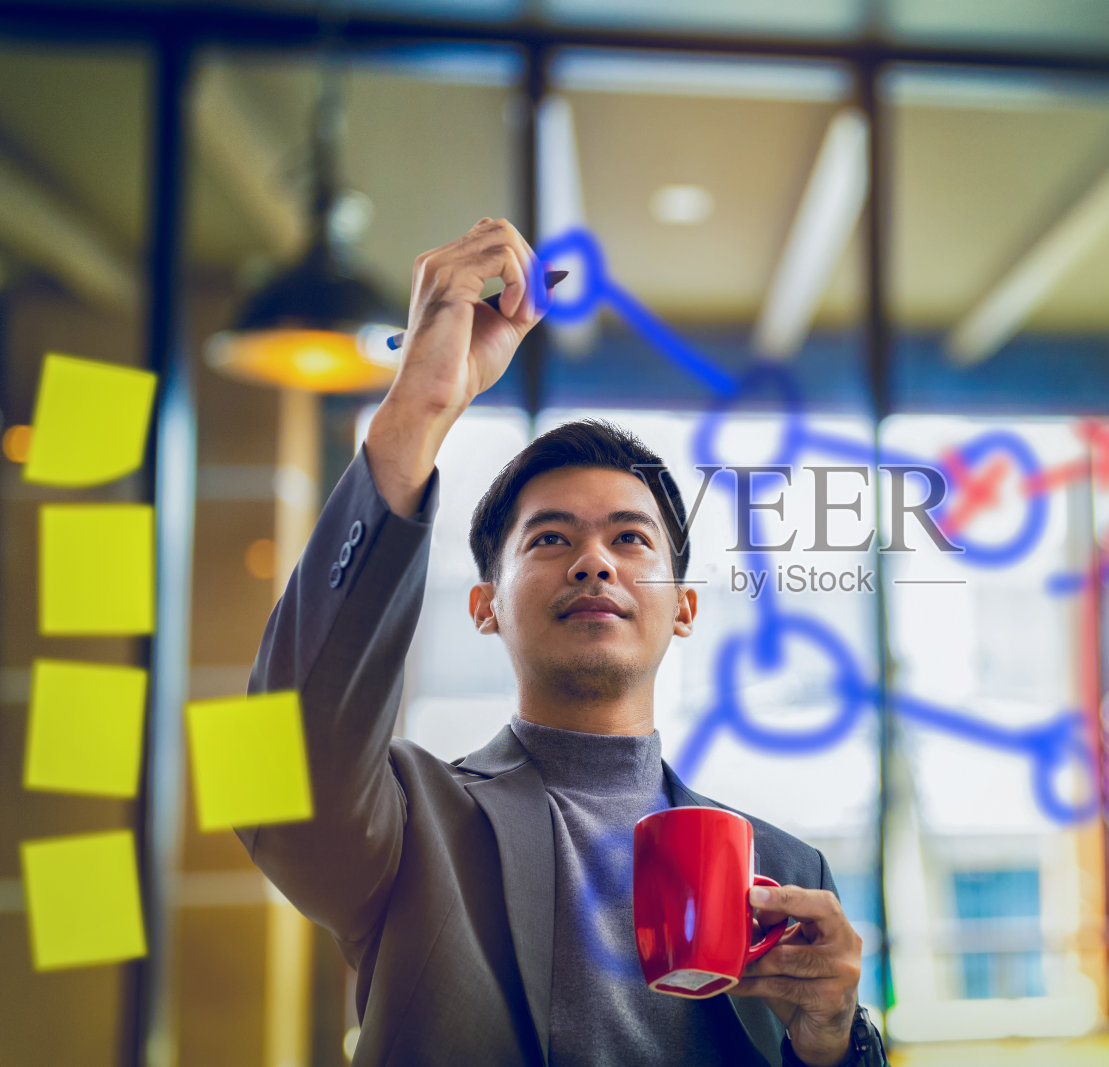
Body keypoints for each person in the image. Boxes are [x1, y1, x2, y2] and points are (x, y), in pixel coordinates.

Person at [238, 218, 886, 1066]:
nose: (593, 561)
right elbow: (271, 769)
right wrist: (417, 408)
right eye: (549, 538)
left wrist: (834, 1043)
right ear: (485, 606)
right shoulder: (416, 828)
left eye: (630, 539)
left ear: (684, 607)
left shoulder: (787, 873)